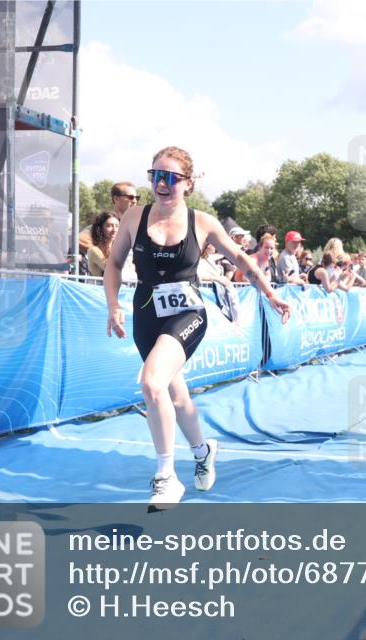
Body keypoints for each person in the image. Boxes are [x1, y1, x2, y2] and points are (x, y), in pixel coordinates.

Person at [104, 146, 291, 510]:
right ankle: (203, 451)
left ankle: (166, 476)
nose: (162, 184)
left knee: (151, 383)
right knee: (175, 395)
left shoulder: (202, 222)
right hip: (146, 314)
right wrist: (113, 305)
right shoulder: (134, 218)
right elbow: (113, 264)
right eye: (156, 176)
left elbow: (240, 258)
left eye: (171, 178)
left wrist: (270, 293)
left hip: (187, 314)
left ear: (188, 184)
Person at [87, 211, 120, 276]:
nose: (114, 230)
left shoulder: (118, 248)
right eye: (109, 226)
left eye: (117, 226)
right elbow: (113, 269)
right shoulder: (94, 250)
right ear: (100, 229)